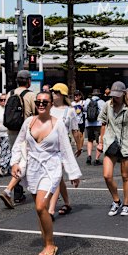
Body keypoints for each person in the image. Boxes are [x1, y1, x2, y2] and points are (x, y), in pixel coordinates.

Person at [11, 91, 81, 255]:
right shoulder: (29, 121)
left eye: (45, 102)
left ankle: (50, 244)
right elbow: (20, 142)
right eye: (38, 102)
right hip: (33, 169)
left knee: (41, 207)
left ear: (51, 104)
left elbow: (65, 149)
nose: (41, 104)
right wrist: (15, 162)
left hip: (51, 168)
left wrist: (73, 172)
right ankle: (45, 241)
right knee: (39, 210)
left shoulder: (58, 125)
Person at [97, 81, 128, 216]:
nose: (115, 97)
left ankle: (126, 204)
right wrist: (100, 142)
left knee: (125, 176)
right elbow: (103, 124)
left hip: (126, 145)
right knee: (107, 175)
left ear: (124, 94)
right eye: (113, 95)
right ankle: (116, 201)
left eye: (118, 95)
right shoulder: (107, 106)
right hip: (110, 143)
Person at [0, 70, 36, 207]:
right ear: (28, 81)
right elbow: (36, 113)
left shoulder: (10, 94)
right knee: (25, 161)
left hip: (11, 131)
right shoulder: (31, 95)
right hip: (26, 131)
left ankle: (17, 193)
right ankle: (13, 191)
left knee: (15, 159)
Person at [48, 83, 81, 218]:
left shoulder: (70, 111)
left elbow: (75, 130)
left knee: (55, 176)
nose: (53, 93)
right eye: (53, 91)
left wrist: (79, 146)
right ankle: (67, 202)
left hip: (62, 148)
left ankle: (50, 210)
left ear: (62, 94)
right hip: (48, 147)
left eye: (56, 91)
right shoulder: (48, 109)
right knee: (58, 178)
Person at [82, 89, 106, 165]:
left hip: (88, 124)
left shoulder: (87, 101)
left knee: (90, 140)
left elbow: (84, 110)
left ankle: (89, 156)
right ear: (99, 95)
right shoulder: (102, 102)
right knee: (99, 141)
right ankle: (96, 159)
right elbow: (104, 112)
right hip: (98, 124)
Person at [71, 90, 86, 155]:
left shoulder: (83, 102)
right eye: (74, 95)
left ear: (80, 96)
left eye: (77, 95)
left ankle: (81, 147)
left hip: (81, 120)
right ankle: (79, 146)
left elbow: (86, 110)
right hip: (74, 120)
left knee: (81, 134)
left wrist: (83, 107)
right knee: (76, 134)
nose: (75, 97)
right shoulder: (72, 103)